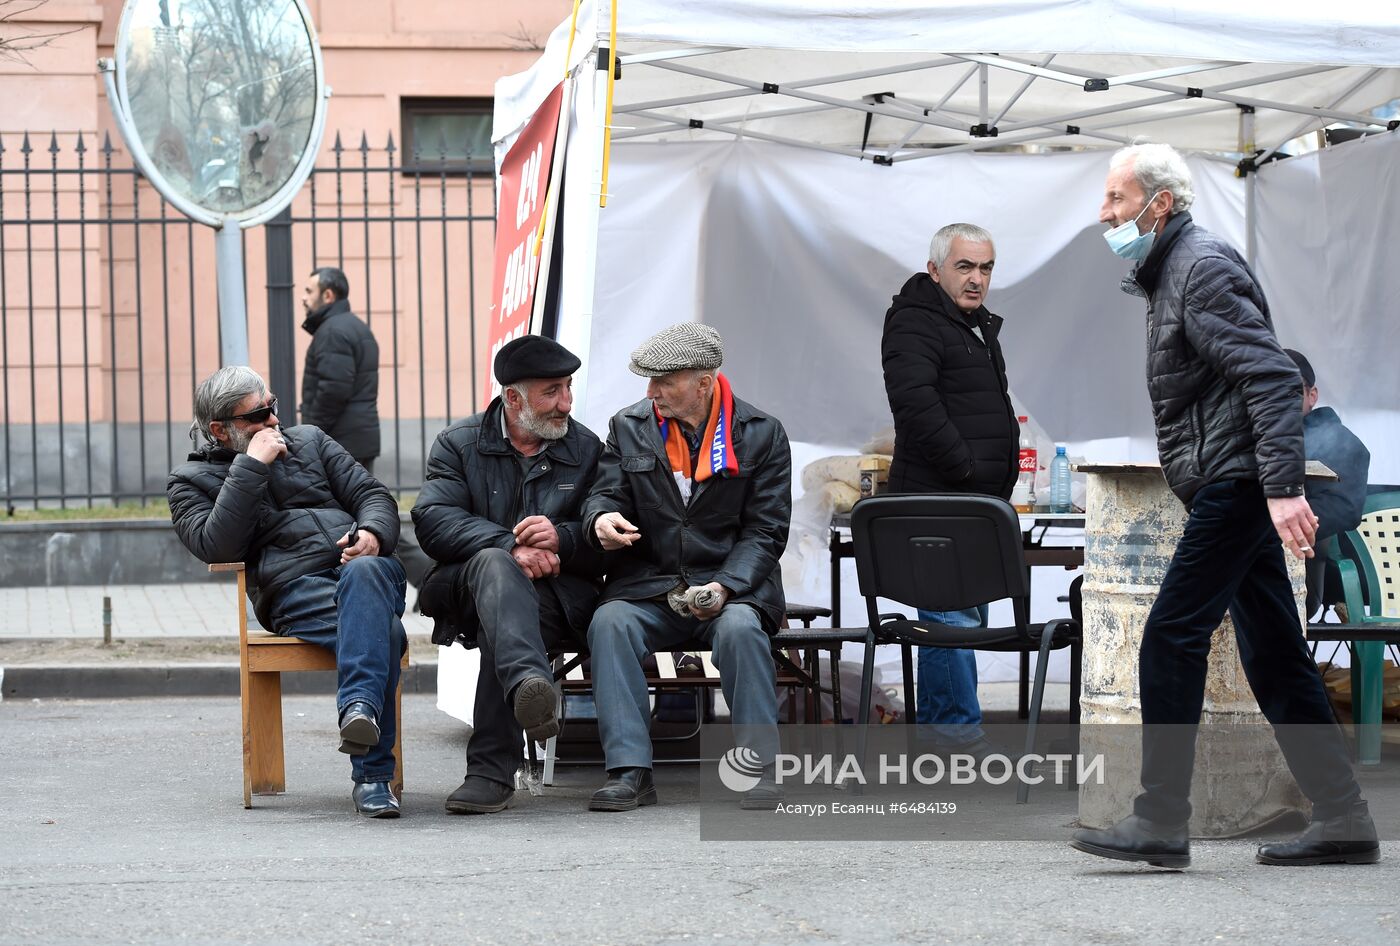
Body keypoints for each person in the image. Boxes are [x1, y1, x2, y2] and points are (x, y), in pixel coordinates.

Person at [1071, 143, 1377, 868]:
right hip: (1229, 479)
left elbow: (1273, 377)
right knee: (1273, 652)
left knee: (1171, 634)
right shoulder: (1171, 272)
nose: (1106, 213)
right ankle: (1343, 818)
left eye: (1117, 198)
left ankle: (1159, 820)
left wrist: (1278, 489)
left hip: (1237, 482)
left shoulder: (1197, 269)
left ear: (1160, 204)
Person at [168, 366, 407, 818]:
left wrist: (372, 533)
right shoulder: (190, 482)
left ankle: (360, 715)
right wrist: (251, 466)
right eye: (257, 416)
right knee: (386, 634)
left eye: (272, 407)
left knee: (366, 578)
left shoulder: (312, 441)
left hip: (365, 571)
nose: (274, 421)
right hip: (297, 593)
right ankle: (372, 776)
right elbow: (216, 545)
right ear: (221, 430)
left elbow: (373, 495)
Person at [582, 322, 792, 812]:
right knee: (609, 623)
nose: (651, 392)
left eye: (663, 381)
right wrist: (601, 517)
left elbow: (766, 531)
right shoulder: (628, 425)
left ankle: (761, 769)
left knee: (740, 630)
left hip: (733, 587)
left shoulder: (762, 434)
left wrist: (725, 585)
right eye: (648, 380)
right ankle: (629, 771)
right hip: (651, 585)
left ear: (703, 382)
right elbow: (606, 493)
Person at [411, 336, 604, 815]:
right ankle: (527, 687)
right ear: (513, 398)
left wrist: (562, 539)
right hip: (467, 592)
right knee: (498, 568)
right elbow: (432, 518)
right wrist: (507, 545)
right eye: (552, 391)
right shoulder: (459, 443)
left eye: (569, 387)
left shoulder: (586, 448)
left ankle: (491, 771)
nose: (567, 402)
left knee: (511, 618)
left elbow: (607, 527)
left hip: (556, 600)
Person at [880, 222, 1017, 754]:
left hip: (972, 503)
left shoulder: (973, 324)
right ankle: (957, 735)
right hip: (939, 500)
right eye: (965, 266)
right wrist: (964, 471)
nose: (977, 278)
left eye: (985, 268)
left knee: (964, 619)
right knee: (949, 620)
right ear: (935, 270)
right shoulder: (916, 323)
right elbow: (915, 406)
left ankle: (947, 734)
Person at [1282, 348, 1371, 617]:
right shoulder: (1244, 439)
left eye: (1291, 391)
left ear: (1312, 396)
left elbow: (1343, 507)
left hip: (1298, 577)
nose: (1279, 401)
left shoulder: (1339, 442)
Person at [300, 266, 381, 473]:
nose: (303, 298)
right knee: (362, 503)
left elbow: (333, 391)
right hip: (356, 439)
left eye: (309, 291)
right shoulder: (354, 326)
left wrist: (313, 433)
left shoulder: (332, 332)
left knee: (342, 505)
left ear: (328, 295)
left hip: (340, 442)